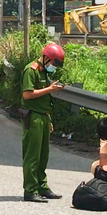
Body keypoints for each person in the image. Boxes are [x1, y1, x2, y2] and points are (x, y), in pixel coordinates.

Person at [20, 42, 65, 203]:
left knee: (43, 155)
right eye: (53, 63)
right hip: (33, 117)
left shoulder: (44, 72)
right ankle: (30, 190)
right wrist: (50, 89)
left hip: (43, 116)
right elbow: (27, 94)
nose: (53, 67)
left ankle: (42, 186)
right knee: (32, 155)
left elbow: (44, 99)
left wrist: (49, 118)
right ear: (46, 58)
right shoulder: (31, 70)